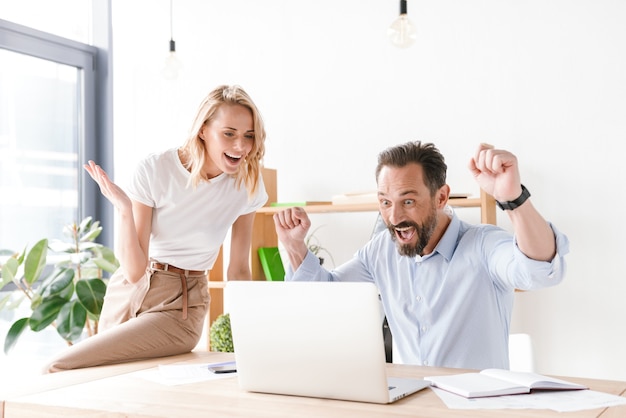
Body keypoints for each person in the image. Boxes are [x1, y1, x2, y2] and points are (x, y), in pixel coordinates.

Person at [273, 141, 569, 370]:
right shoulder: (381, 250)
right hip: (413, 405)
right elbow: (325, 299)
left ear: (441, 197)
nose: (394, 216)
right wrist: (295, 246)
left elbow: (540, 270)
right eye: (385, 202)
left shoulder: (482, 246)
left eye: (409, 201)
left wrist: (513, 199)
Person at [45, 85, 268, 372]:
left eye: (248, 136)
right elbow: (135, 272)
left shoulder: (246, 184)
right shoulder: (156, 169)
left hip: (180, 307)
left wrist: (253, 339)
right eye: (229, 134)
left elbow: (238, 270)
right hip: (128, 293)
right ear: (203, 130)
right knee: (103, 382)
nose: (241, 146)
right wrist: (124, 210)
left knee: (56, 366)